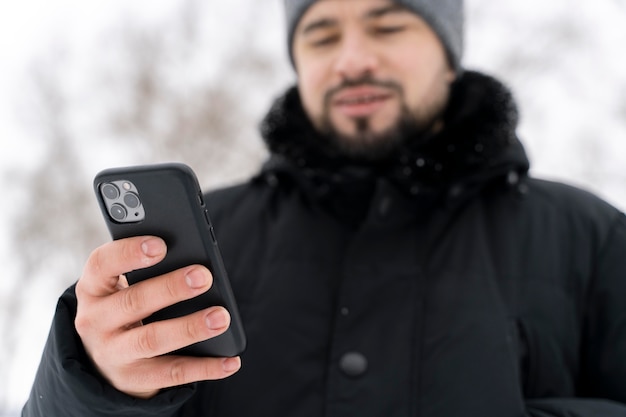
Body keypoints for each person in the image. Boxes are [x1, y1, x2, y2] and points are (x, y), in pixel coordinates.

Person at [22, 0, 626, 416]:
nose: (352, 59)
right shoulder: (214, 239)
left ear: (448, 51)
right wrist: (97, 383)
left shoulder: (589, 237)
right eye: (322, 34)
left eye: (388, 26)